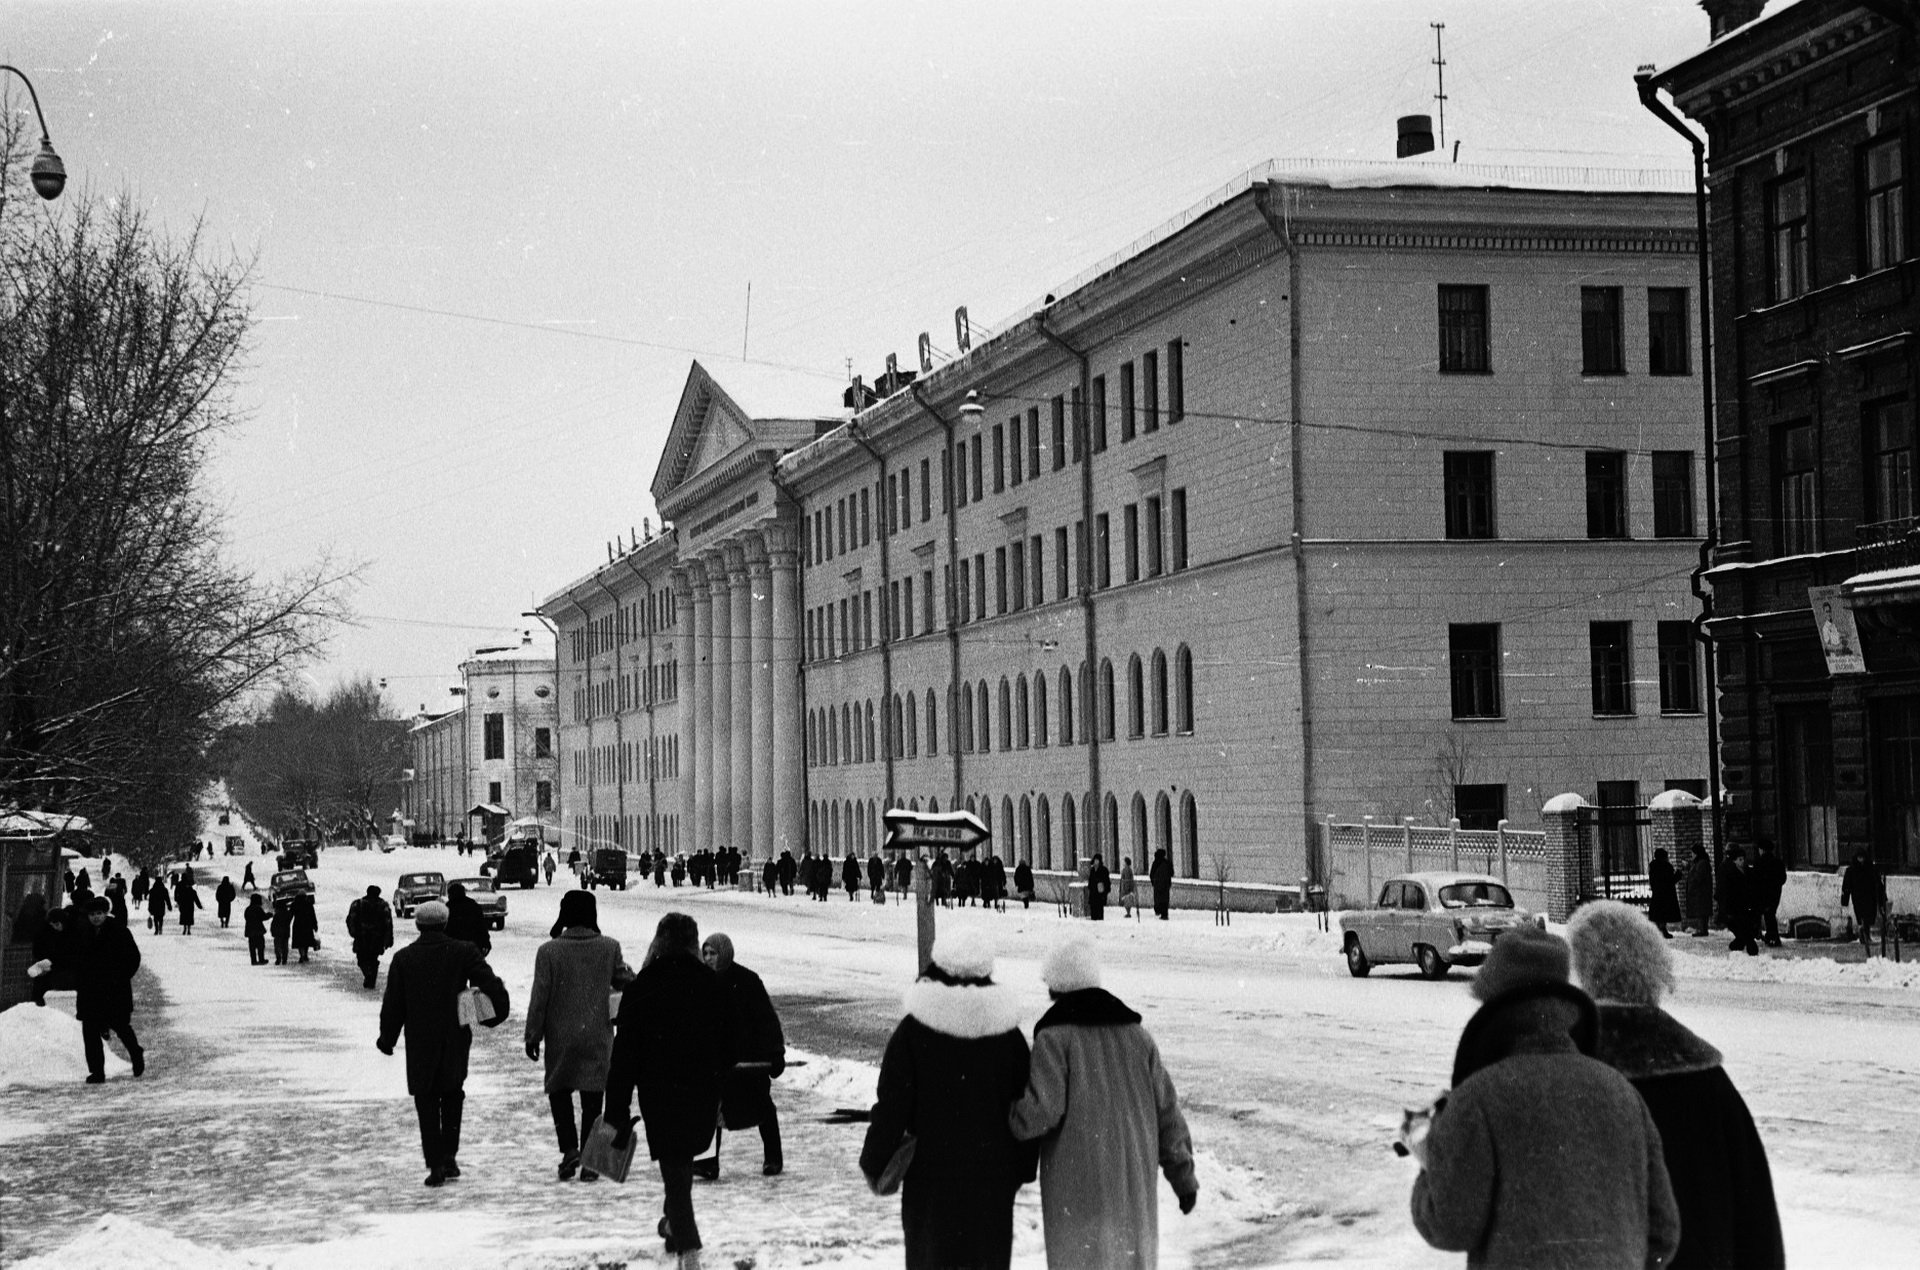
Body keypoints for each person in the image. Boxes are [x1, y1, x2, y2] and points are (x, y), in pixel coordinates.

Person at [1409, 926, 1678, 1268]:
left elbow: (1451, 1225)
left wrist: (1430, 1162)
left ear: (1492, 1007)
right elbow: (1664, 1232)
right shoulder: (1622, 1092)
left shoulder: (1477, 1100)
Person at [1567, 900, 1784, 1270]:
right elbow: (1755, 1218)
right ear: (1654, 970)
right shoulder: (1705, 1076)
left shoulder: (1563, 1071)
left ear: (1581, 973)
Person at [1010, 936, 1196, 1269]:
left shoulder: (1054, 1038)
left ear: (1057, 985)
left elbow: (1042, 1111)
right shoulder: (1139, 1037)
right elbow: (1168, 1115)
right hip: (1133, 1190)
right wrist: (1183, 1178)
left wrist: (1008, 1118)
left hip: (1078, 1193)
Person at [862, 930, 1035, 1270]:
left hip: (931, 1179)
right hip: (992, 1179)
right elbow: (1025, 1105)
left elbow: (892, 1105)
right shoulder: (1008, 1033)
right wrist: (1021, 1167)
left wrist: (875, 1161)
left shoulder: (914, 1030)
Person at [604, 913, 733, 1269]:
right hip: (701, 1090)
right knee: (681, 1164)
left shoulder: (643, 986)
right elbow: (727, 1044)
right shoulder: (710, 983)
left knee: (675, 1167)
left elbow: (624, 1056)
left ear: (659, 941)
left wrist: (615, 1111)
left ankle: (688, 1247)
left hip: (659, 1092)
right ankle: (675, 1226)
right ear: (693, 942)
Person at [377, 899, 510, 1187]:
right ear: (445, 923)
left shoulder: (403, 958)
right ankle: (449, 1155)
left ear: (418, 925)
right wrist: (499, 1009)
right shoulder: (463, 951)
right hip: (455, 1035)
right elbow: (488, 982)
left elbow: (394, 1004)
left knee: (426, 1099)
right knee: (452, 1094)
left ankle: (435, 1164)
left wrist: (387, 1038)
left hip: (420, 1039)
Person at [526, 891, 631, 1180]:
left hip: (560, 1036)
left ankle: (569, 1148)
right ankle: (589, 1159)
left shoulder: (548, 951)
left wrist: (532, 1035)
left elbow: (540, 997)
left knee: (559, 1091)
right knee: (593, 1097)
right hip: (597, 1035)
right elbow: (624, 982)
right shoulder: (609, 947)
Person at [701, 932, 787, 1178]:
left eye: (713, 953)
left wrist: (776, 1052)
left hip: (749, 1058)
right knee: (709, 1107)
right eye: (705, 953)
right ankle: (708, 1162)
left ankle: (773, 1158)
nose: (707, 958)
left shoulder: (747, 980)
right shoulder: (701, 982)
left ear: (724, 954)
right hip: (717, 1059)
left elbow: (767, 1018)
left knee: (762, 1106)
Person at [66, 896, 146, 1083]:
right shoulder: (82, 933)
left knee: (120, 1026)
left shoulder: (119, 931)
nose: (96, 917)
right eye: (92, 914)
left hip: (114, 990)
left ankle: (135, 1052)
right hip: (90, 991)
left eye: (99, 914)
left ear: (106, 913)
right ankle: (97, 1072)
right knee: (90, 1032)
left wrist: (119, 977)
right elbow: (75, 958)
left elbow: (133, 958)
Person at [348, 885, 397, 990]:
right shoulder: (383, 905)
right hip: (376, 939)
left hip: (362, 937)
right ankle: (371, 978)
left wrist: (354, 932)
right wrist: (388, 939)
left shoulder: (358, 904)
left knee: (362, 959)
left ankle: (368, 976)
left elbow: (351, 919)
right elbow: (388, 924)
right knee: (373, 959)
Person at [1841, 849, 1886, 953]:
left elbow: (1879, 884)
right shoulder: (1851, 870)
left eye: (1862, 857)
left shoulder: (1871, 868)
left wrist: (1882, 897)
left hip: (1870, 896)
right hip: (1859, 897)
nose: (1860, 860)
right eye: (1859, 857)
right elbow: (1846, 886)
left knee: (1869, 916)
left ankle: (1865, 935)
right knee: (1862, 916)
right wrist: (1845, 900)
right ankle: (1864, 936)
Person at [1719, 847, 1758, 956]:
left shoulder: (1748, 872)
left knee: (1746, 929)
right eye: (1739, 859)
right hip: (1736, 907)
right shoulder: (1731, 874)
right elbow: (1728, 893)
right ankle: (1751, 950)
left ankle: (1737, 945)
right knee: (1743, 929)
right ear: (1734, 861)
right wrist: (1728, 909)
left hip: (1747, 905)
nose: (1742, 862)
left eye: (1743, 859)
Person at [1751, 839, 1786, 947]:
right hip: (1775, 893)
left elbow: (1754, 880)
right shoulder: (1778, 862)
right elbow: (1783, 879)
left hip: (1762, 893)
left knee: (1760, 913)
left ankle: (1762, 935)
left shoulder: (1758, 863)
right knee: (1770, 914)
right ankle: (1773, 937)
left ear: (1761, 849)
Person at [444, 882, 493, 955]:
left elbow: (443, 930)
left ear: (450, 895)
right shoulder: (474, 906)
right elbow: (481, 926)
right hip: (473, 946)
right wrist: (486, 942)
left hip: (453, 948)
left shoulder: (447, 908)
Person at [1646, 847, 1680, 939]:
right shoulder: (1666, 866)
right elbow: (1670, 881)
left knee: (1658, 914)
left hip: (1657, 894)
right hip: (1666, 894)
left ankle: (1659, 930)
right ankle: (1662, 930)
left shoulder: (1653, 867)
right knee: (1663, 914)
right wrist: (1678, 874)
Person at [1684, 844, 1713, 937]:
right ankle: (1703, 929)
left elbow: (1698, 877)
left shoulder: (1701, 863)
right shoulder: (1700, 863)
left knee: (1701, 912)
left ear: (1697, 854)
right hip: (1701, 892)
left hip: (1700, 893)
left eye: (1692, 853)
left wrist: (1689, 868)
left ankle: (1702, 930)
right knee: (1701, 911)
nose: (1691, 855)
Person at [291, 892, 320, 963]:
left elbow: (290, 914)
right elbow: (313, 916)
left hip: (298, 925)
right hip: (307, 925)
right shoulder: (309, 904)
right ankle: (305, 955)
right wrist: (315, 925)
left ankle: (302, 955)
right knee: (306, 941)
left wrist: (285, 923)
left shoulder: (294, 904)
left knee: (300, 942)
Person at [243, 893, 270, 965]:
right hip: (258, 930)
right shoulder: (258, 908)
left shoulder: (248, 909)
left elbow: (246, 917)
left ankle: (253, 960)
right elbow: (263, 917)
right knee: (260, 945)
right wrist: (269, 915)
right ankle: (261, 959)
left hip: (250, 930)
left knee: (252, 946)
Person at [1086, 854, 1111, 922]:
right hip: (1093, 894)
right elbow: (1090, 880)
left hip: (1100, 895)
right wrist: (1090, 887)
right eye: (1095, 860)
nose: (1095, 862)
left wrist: (1105, 892)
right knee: (1093, 912)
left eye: (1097, 860)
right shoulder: (1092, 870)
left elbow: (1107, 882)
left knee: (1099, 912)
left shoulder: (1104, 870)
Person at [270, 897, 294, 965]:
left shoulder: (277, 915)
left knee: (277, 946)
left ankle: (278, 958)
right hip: (286, 932)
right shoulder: (287, 914)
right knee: (285, 947)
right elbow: (289, 919)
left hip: (277, 933)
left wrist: (272, 931)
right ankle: (284, 959)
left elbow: (273, 924)